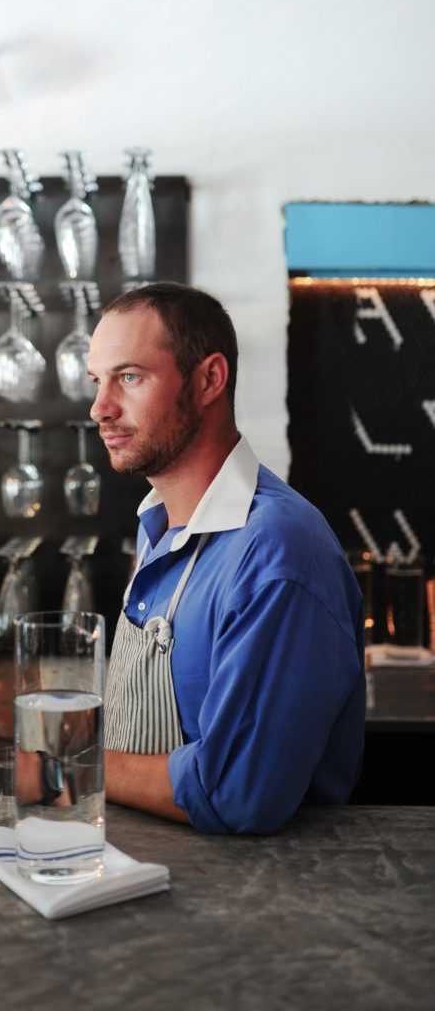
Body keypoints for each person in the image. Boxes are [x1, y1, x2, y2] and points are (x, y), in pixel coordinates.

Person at [87, 281, 365, 835]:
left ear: (210, 379)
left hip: (259, 896)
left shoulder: (276, 550)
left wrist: (69, 764)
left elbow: (237, 791)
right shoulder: (159, 525)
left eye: (130, 377)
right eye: (97, 382)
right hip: (156, 873)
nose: (101, 408)